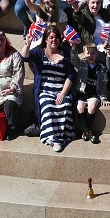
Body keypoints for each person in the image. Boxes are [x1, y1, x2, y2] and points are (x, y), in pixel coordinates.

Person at [21, 25, 75, 153]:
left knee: (65, 104)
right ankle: (53, 138)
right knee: (47, 105)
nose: (54, 40)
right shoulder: (39, 52)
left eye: (56, 37)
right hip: (45, 89)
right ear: (45, 39)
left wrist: (62, 93)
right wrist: (27, 44)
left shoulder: (65, 52)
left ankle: (63, 136)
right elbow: (24, 57)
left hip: (61, 89)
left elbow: (71, 75)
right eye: (51, 37)